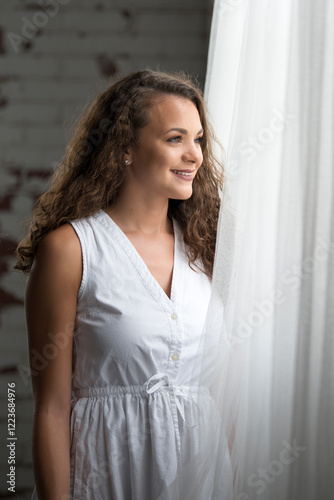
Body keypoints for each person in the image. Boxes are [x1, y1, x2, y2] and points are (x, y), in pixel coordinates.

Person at [14, 70, 233, 500]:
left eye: (199, 139)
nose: (195, 156)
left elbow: (229, 402)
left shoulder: (209, 251)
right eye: (175, 139)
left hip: (205, 481)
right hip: (107, 476)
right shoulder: (71, 251)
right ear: (126, 148)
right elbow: (52, 410)